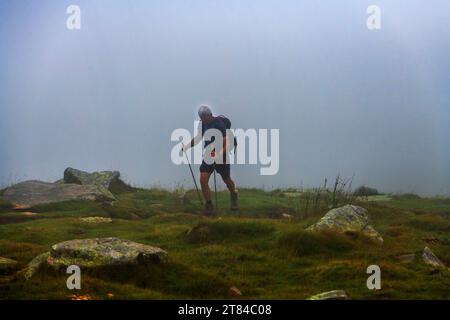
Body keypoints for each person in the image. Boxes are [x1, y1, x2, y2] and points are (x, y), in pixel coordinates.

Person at [182, 105, 238, 215]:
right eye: (201, 119)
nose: (203, 120)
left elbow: (227, 143)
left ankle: (234, 195)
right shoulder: (203, 124)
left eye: (204, 118)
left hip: (221, 155)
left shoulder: (219, 124)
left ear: (209, 115)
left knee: (226, 179)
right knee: (203, 179)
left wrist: (219, 154)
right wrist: (187, 146)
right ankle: (209, 205)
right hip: (209, 154)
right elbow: (199, 138)